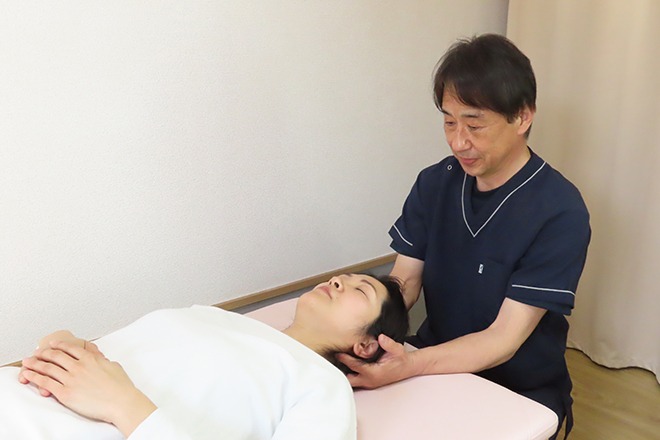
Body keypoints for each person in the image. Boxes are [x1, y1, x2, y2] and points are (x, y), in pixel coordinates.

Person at [337, 34, 590, 439]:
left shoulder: (560, 211)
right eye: (449, 122)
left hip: (517, 387)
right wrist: (354, 332)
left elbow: (503, 339)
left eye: (474, 124)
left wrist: (410, 365)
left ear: (522, 117)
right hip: (431, 358)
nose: (458, 141)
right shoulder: (436, 182)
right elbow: (404, 283)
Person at [2, 273, 408, 440]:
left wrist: (122, 405)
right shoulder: (214, 317)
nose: (337, 280)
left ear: (366, 345)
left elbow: (114, 386)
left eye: (360, 290)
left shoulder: (323, 384)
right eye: (341, 277)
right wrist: (64, 343)